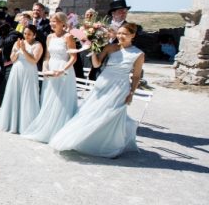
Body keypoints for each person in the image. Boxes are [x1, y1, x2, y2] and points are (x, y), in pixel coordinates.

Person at [49, 23, 145, 158]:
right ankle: (80, 139)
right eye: (119, 33)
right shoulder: (110, 47)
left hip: (120, 87)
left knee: (111, 115)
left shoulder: (138, 54)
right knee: (91, 111)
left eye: (125, 34)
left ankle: (109, 145)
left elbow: (136, 76)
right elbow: (96, 64)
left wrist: (131, 93)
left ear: (133, 35)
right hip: (103, 83)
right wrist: (93, 49)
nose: (120, 36)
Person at [23, 12, 78, 142]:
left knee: (62, 100)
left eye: (55, 21)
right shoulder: (49, 37)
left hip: (64, 70)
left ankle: (60, 132)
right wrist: (45, 69)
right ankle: (48, 128)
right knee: (49, 98)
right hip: (51, 69)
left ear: (63, 23)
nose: (52, 24)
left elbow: (73, 57)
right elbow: (47, 56)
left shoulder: (68, 37)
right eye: (51, 21)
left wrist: (62, 70)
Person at [0, 24, 42, 133]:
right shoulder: (18, 42)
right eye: (25, 33)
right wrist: (17, 50)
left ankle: (26, 125)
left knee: (27, 96)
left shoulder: (38, 45)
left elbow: (34, 60)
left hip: (29, 72)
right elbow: (12, 58)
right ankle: (12, 123)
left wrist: (24, 50)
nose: (26, 36)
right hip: (16, 71)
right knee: (14, 95)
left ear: (34, 35)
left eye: (29, 34)